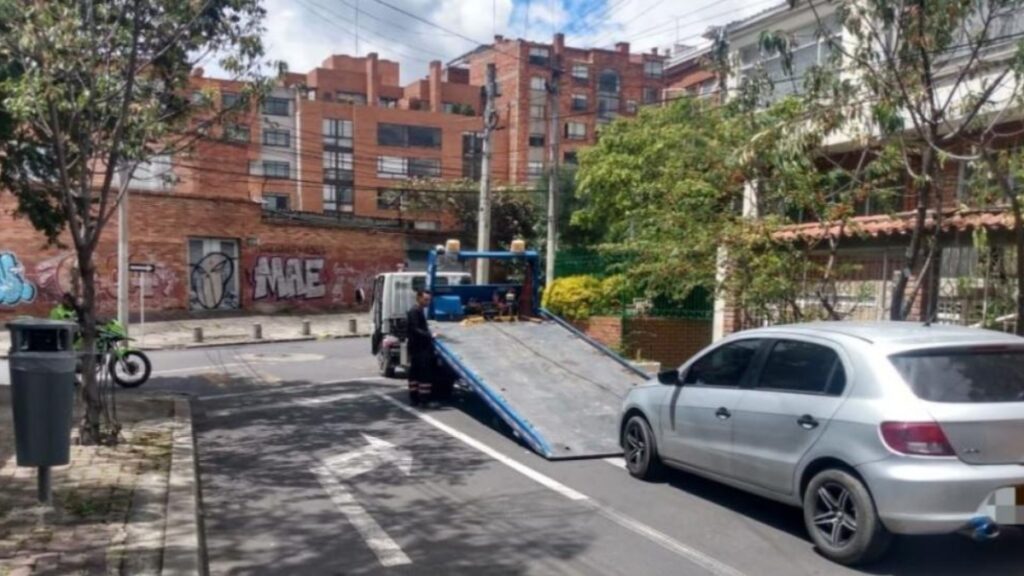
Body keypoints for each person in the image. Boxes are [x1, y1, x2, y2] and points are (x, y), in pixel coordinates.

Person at [406, 289, 436, 405]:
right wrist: (430, 335)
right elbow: (415, 329)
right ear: (418, 298)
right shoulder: (414, 311)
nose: (428, 302)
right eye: (426, 299)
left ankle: (415, 398)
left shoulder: (419, 310)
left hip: (417, 348)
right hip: (419, 348)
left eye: (429, 300)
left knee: (415, 373)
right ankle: (423, 399)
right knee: (424, 374)